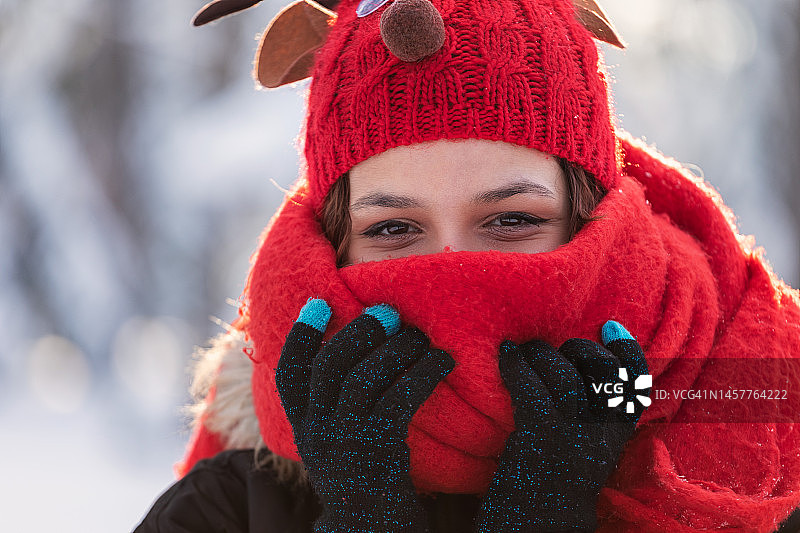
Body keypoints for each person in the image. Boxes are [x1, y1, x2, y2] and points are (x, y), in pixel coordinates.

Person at [135, 0, 800, 531]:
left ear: (593, 215)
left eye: (512, 219)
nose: (453, 274)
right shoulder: (230, 508)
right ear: (337, 243)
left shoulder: (773, 452)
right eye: (393, 227)